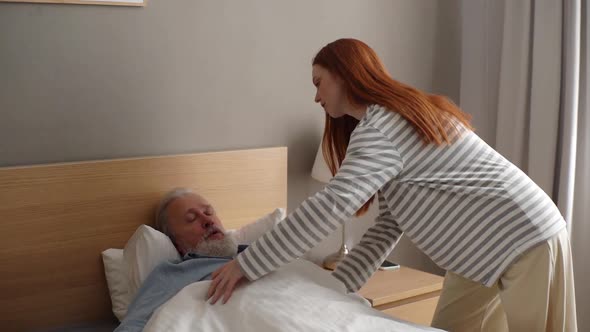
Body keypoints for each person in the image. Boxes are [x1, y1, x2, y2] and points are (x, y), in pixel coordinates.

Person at [207, 38, 577, 332]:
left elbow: (331, 205)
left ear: (344, 73)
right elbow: (388, 226)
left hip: (522, 236)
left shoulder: (382, 127)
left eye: (319, 82)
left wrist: (247, 263)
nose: (316, 97)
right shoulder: (388, 124)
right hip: (477, 255)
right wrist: (336, 289)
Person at [154, 187, 242, 258]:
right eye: (191, 218)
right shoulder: (173, 276)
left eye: (208, 212)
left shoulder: (253, 251)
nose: (209, 221)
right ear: (177, 245)